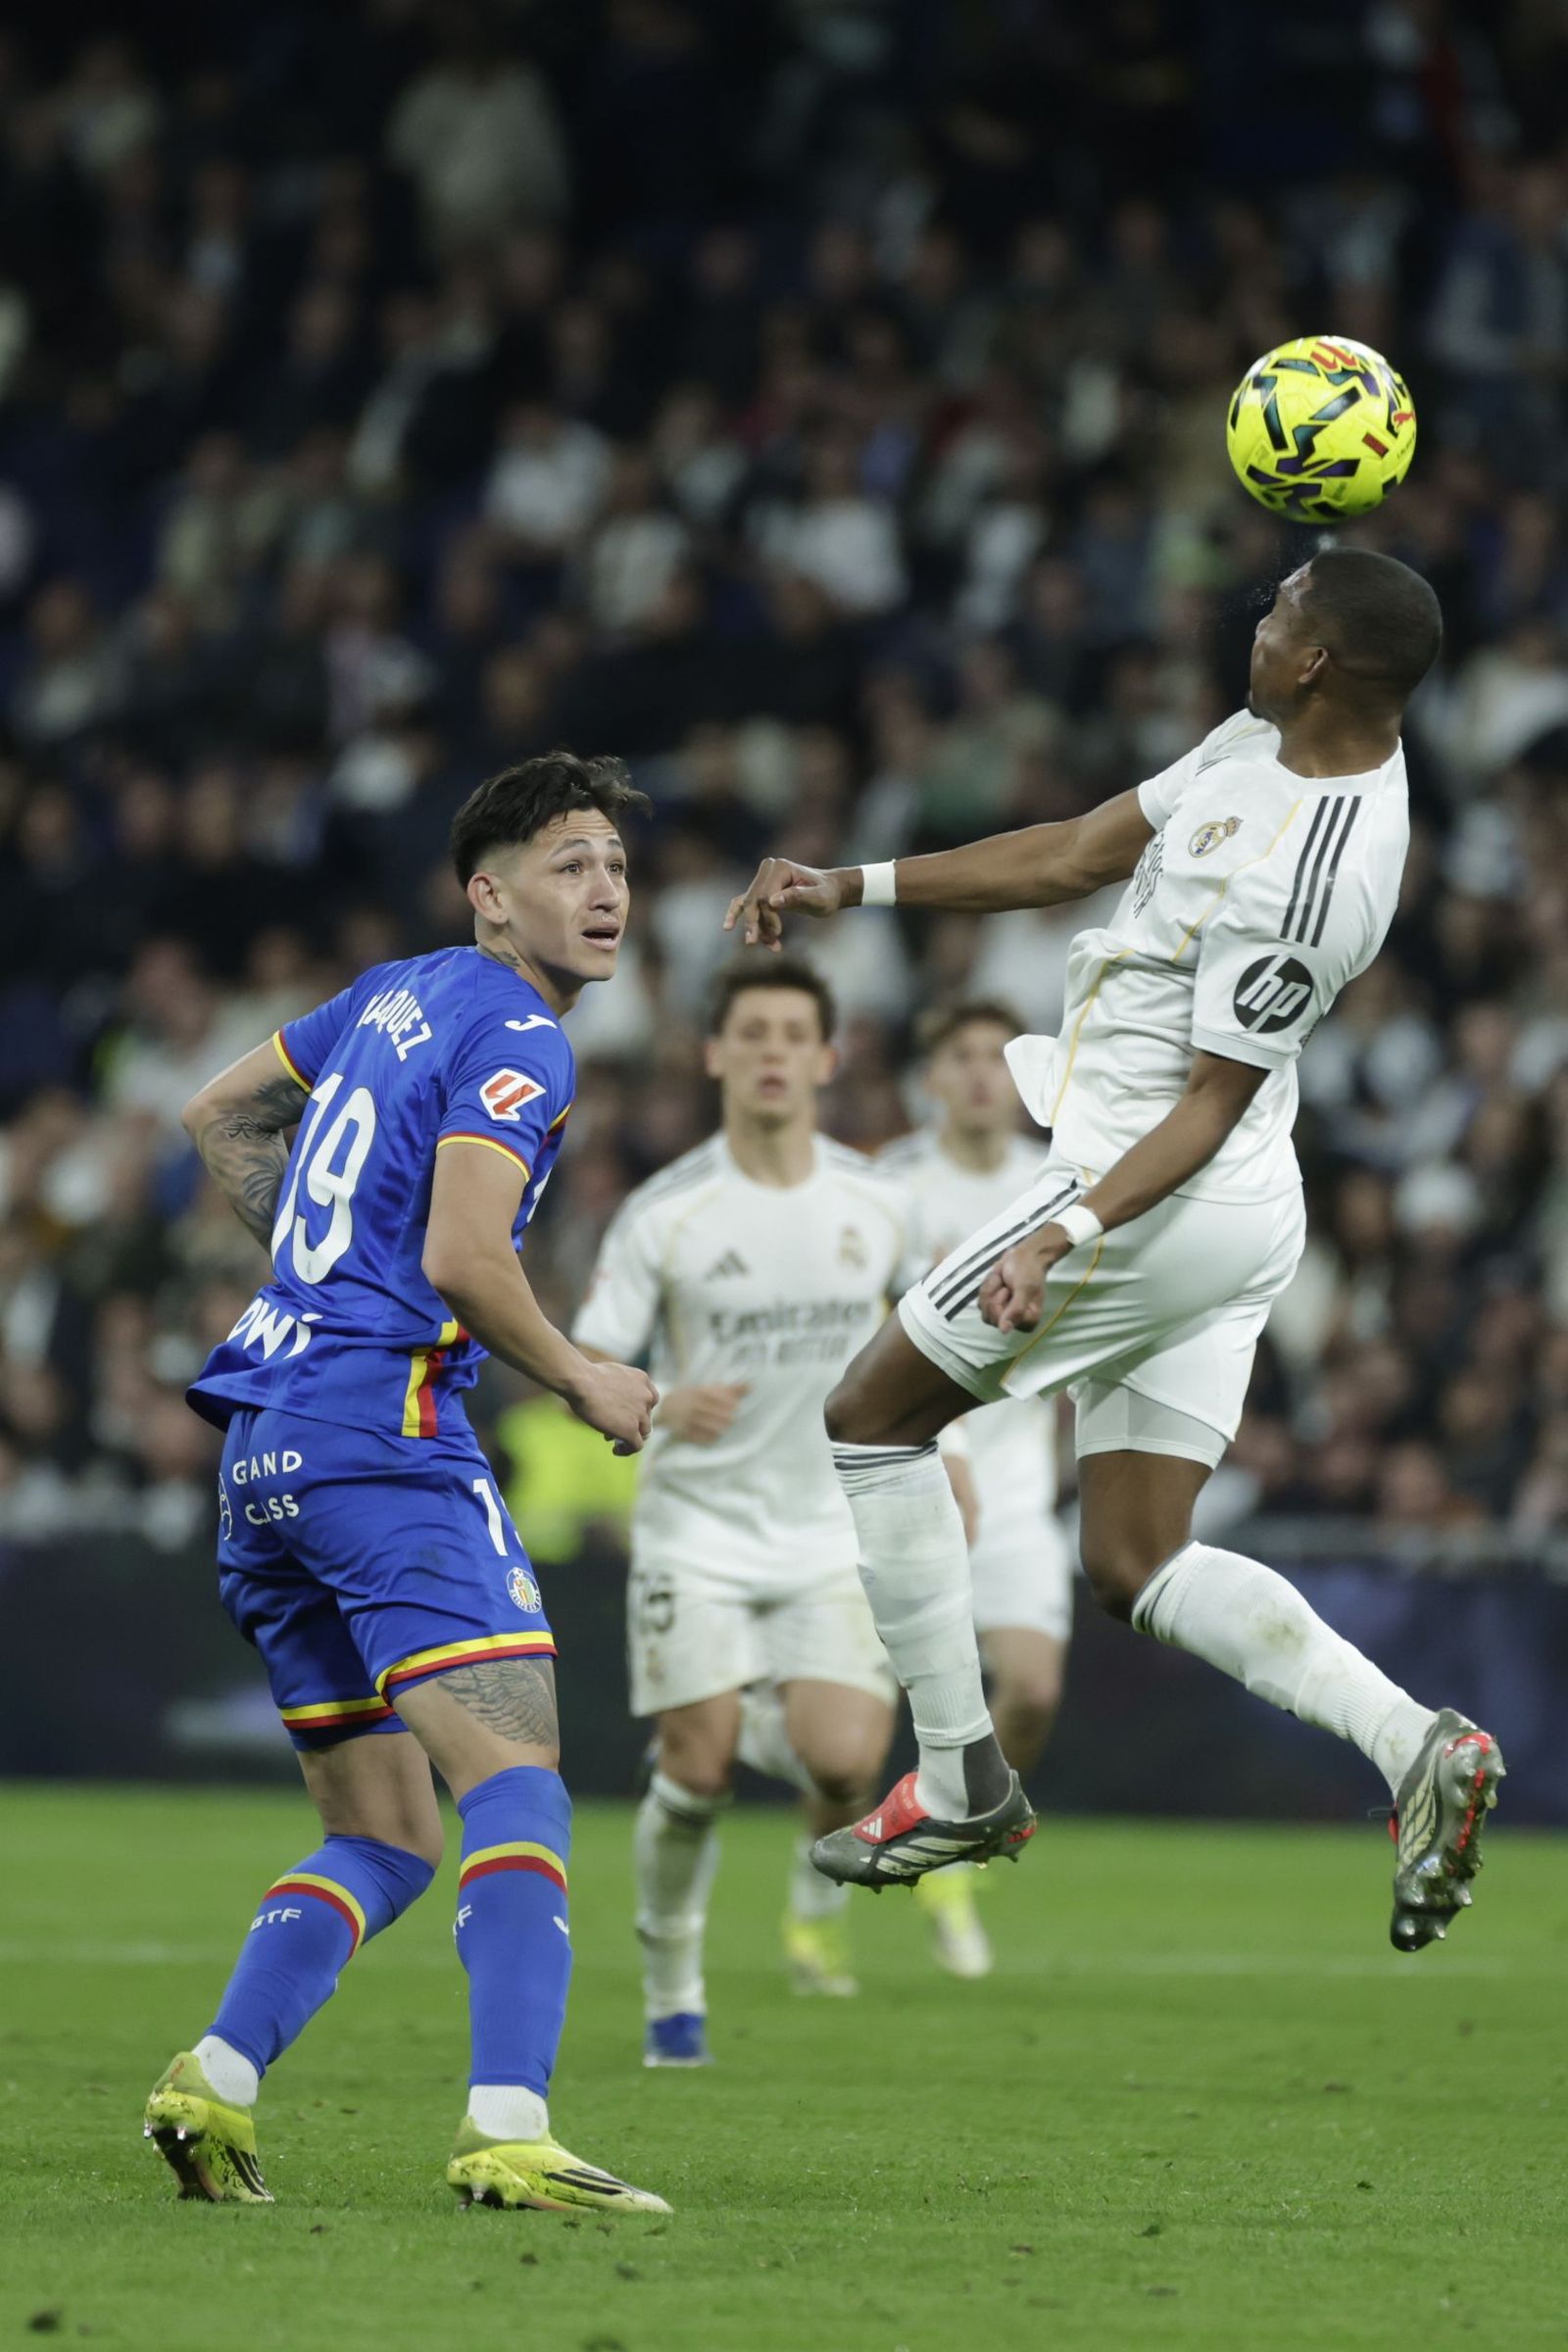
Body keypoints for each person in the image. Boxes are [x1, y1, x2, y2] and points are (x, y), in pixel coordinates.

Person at [726, 547, 1505, 1952]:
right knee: (1136, 1559)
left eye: (1277, 616)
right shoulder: (1257, 741)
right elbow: (1086, 848)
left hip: (1158, 1194)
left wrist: (1068, 1232)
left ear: (1319, 657)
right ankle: (1413, 1745)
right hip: (1219, 1200)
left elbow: (1207, 1104)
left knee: (868, 1419)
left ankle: (962, 1777)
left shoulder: (1321, 871)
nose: (1253, 627)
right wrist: (854, 886)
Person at [144, 752, 672, 2215]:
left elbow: (214, 1115)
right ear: (490, 895)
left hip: (263, 1444)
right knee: (518, 1777)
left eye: (618, 866)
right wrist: (585, 1377)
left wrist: (324, 1276)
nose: (608, 889)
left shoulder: (388, 993)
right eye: (572, 863)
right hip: (384, 1440)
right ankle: (509, 2128)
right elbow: (460, 1259)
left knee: (382, 1834)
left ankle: (215, 2082)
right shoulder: (520, 1030)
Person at [571, 958, 907, 2066]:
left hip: (827, 1527)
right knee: (701, 1773)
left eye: (790, 1034)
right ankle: (673, 1989)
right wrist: (659, 1398)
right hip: (697, 1526)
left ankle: (735, 1712)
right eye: (749, 1033)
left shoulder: (876, 1201)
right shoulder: (667, 1213)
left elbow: (937, 1340)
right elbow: (594, 1356)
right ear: (714, 1055)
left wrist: (938, 1446)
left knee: (847, 1769)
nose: (770, 1052)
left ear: (826, 1058)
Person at [879, 999, 1067, 1980]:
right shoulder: (891, 1187)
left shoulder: (1062, 1178)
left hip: (1020, 1485)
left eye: (1000, 1056)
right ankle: (832, 1879)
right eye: (961, 1054)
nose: (984, 1073)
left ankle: (953, 1833)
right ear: (932, 1075)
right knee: (859, 1710)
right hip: (904, 1473)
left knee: (1030, 1688)